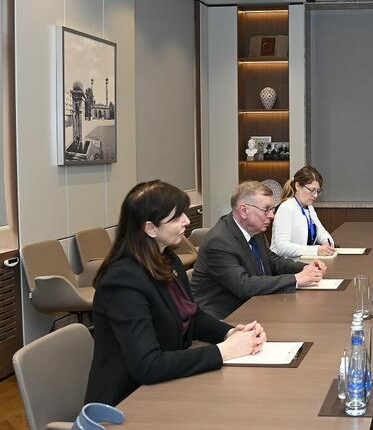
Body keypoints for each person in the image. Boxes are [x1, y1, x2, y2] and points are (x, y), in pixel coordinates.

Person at [85, 181, 266, 406]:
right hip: (126, 403)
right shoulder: (122, 281)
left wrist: (230, 333)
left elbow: (192, 316)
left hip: (165, 387)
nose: (187, 221)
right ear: (150, 228)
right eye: (177, 217)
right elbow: (148, 365)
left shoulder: (167, 260)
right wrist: (223, 352)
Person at [192, 181, 327, 319]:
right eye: (266, 209)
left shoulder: (254, 231)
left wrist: (305, 268)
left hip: (255, 307)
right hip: (225, 317)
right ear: (244, 211)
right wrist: (295, 279)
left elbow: (272, 261)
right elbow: (244, 285)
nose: (272, 215)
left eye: (272, 209)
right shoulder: (219, 241)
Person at [271, 166, 335, 259]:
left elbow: (322, 233)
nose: (315, 195)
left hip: (302, 262)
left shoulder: (309, 208)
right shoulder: (286, 208)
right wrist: (316, 250)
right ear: (297, 186)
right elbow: (282, 247)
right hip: (283, 264)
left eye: (318, 191)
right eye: (312, 190)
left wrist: (328, 243)